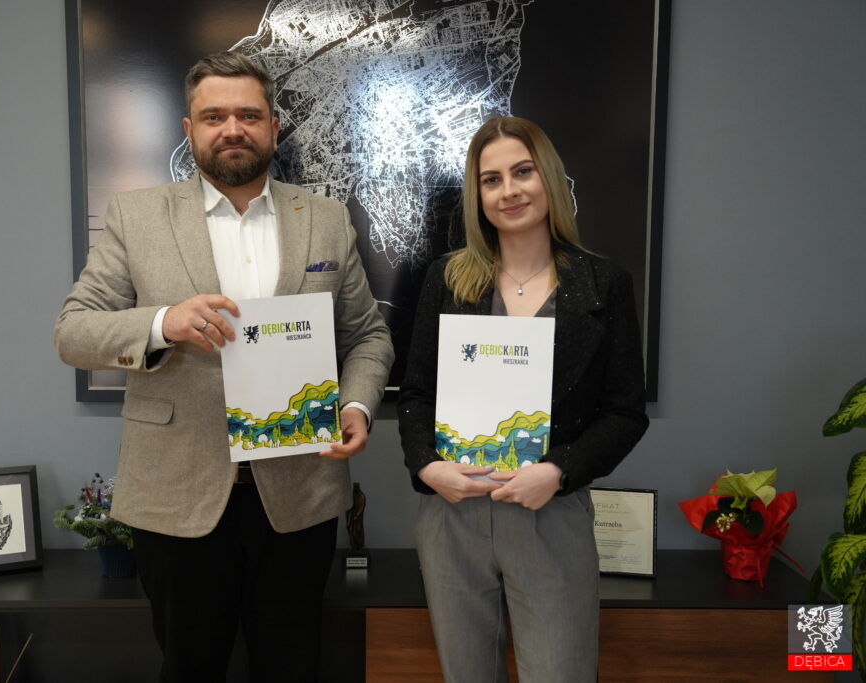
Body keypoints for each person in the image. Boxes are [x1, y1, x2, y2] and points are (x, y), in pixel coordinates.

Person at [55, 51, 393, 682]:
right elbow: (73, 333)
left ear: (273, 127)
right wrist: (163, 323)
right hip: (177, 497)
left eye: (248, 115)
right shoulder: (135, 216)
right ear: (189, 129)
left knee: (291, 669)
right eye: (214, 116)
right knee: (190, 669)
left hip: (299, 494)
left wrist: (355, 404)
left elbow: (368, 335)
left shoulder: (324, 218)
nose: (232, 128)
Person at [397, 116, 648, 682]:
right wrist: (427, 466)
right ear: (478, 195)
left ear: (548, 178)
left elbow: (625, 412)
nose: (508, 191)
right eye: (491, 180)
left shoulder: (603, 284)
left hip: (549, 511)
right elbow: (415, 393)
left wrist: (558, 471)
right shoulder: (446, 279)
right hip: (453, 513)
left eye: (522, 172)